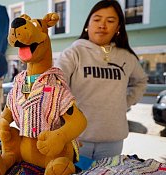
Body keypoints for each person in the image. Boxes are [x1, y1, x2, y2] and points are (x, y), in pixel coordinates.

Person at [55, 0, 148, 161]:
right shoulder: (73, 53)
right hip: (77, 137)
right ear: (87, 24)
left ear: (118, 28)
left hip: (112, 139)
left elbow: (141, 81)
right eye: (97, 19)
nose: (102, 25)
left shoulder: (126, 57)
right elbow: (55, 85)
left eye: (110, 21)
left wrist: (124, 102)